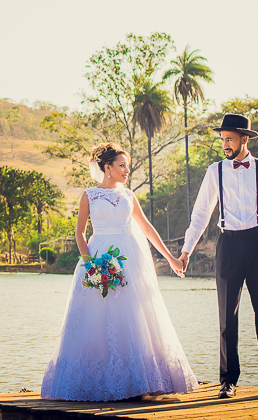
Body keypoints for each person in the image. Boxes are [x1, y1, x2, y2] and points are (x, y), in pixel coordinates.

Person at [41, 143, 197, 402]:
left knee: (134, 316)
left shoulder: (128, 196)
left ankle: (140, 382)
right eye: (122, 165)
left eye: (128, 166)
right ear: (107, 168)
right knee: (96, 318)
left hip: (129, 260)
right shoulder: (89, 195)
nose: (127, 170)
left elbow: (147, 229)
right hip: (98, 257)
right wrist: (90, 265)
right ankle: (96, 382)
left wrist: (170, 259)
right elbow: (80, 233)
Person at [180, 114, 258, 399]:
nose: (225, 144)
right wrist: (187, 250)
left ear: (244, 138)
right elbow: (201, 214)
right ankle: (228, 380)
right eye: (222, 139)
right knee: (227, 315)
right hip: (228, 244)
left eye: (229, 139)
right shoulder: (214, 171)